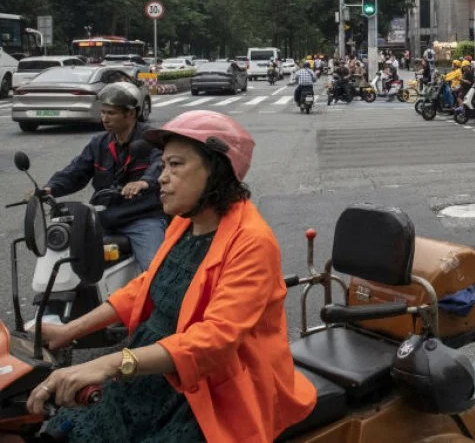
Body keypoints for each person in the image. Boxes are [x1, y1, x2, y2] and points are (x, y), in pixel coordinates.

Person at [28, 111, 316, 441]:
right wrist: (70, 330)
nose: (162, 177)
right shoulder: (183, 223)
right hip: (154, 374)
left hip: (217, 388)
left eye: (176, 165)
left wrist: (109, 364)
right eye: (163, 165)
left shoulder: (251, 242)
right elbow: (146, 286)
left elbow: (215, 339)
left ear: (216, 171)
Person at [37, 83, 166, 272]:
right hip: (103, 217)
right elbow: (76, 171)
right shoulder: (99, 143)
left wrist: (144, 182)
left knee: (154, 271)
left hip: (142, 218)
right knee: (68, 262)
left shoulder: (151, 139)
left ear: (130, 114)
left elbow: (160, 165)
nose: (104, 118)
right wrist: (50, 188)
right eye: (103, 112)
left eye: (111, 113)